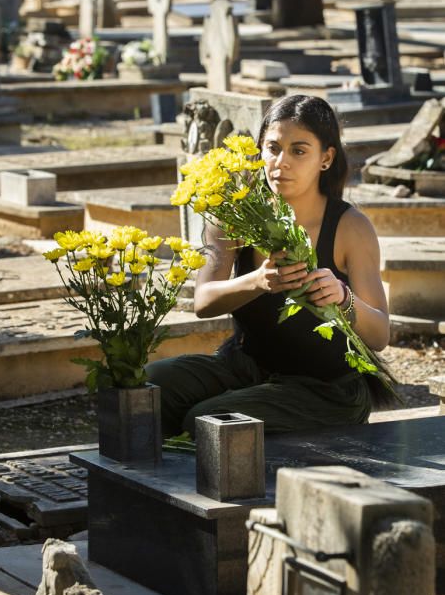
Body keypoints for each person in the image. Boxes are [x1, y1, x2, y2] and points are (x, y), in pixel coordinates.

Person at [146, 95, 391, 438]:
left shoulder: (351, 227)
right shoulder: (233, 213)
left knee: (208, 421)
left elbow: (380, 335)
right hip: (247, 368)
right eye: (273, 148)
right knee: (147, 387)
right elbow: (203, 302)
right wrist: (258, 282)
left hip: (326, 389)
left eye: (299, 151)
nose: (281, 162)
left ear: (326, 158)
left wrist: (343, 298)